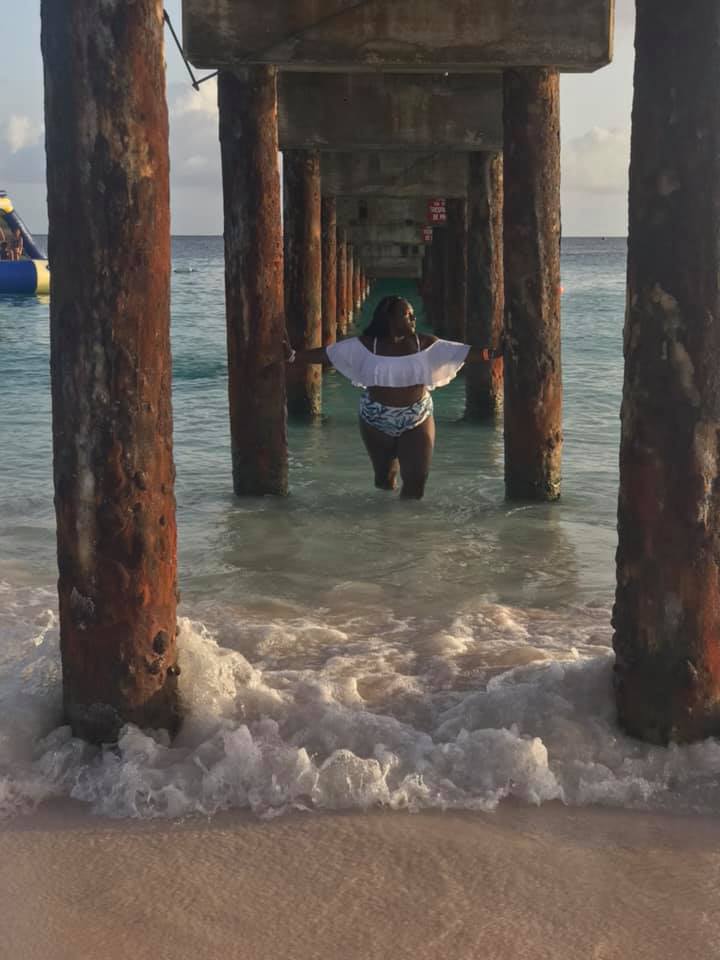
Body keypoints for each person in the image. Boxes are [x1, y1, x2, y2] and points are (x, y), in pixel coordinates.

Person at [286, 294, 503, 499]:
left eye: (412, 314)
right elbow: (327, 354)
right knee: (384, 480)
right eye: (407, 314)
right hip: (375, 417)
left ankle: (407, 532)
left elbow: (461, 352)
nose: (413, 317)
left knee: (416, 484)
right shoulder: (365, 345)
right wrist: (293, 356)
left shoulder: (424, 344)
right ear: (389, 318)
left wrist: (493, 353)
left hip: (416, 416)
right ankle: (384, 528)